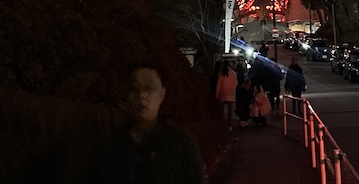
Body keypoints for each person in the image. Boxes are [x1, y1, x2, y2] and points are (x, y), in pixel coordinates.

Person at [73, 63, 206, 183]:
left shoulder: (180, 143)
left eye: (149, 88)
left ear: (162, 94)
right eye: (134, 89)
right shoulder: (109, 141)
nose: (141, 95)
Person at [215, 60, 238, 127]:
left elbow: (219, 84)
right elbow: (236, 83)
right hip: (231, 93)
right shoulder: (234, 73)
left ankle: (222, 121)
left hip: (223, 92)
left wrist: (217, 93)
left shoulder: (221, 73)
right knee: (230, 110)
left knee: (222, 108)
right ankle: (229, 123)